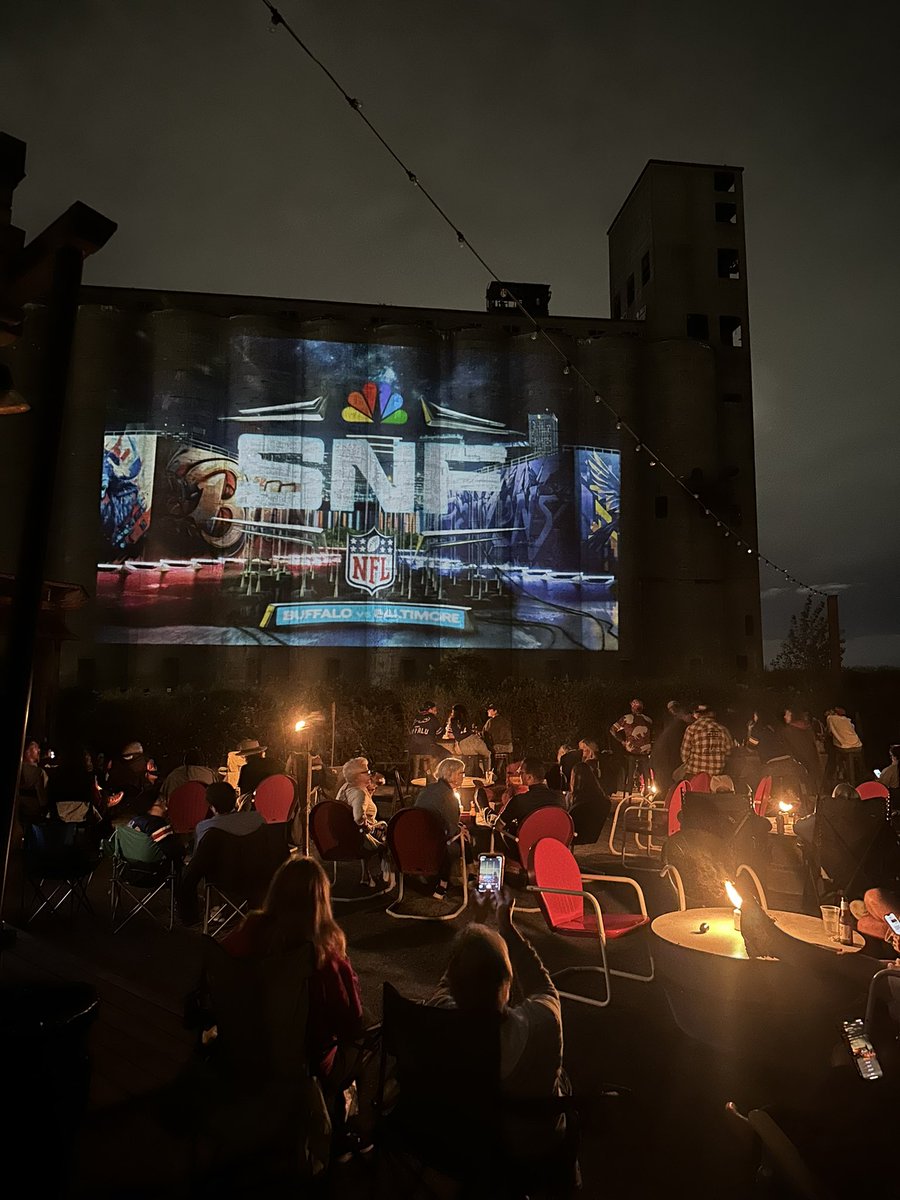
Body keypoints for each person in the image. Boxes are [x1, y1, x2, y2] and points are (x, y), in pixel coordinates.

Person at [223, 856, 367, 1153]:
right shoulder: (322, 958)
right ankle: (341, 1131)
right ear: (321, 902)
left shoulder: (247, 932)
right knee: (364, 1042)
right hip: (303, 1063)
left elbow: (222, 970)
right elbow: (352, 1021)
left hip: (246, 1044)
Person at [429, 887, 565, 1155]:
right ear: (507, 984)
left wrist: (476, 924)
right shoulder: (542, 1023)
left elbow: (448, 982)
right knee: (564, 1081)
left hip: (461, 1141)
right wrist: (506, 925)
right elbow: (544, 987)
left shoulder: (437, 1015)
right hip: (526, 1145)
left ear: (456, 988)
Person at [414, 756, 468, 900]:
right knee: (466, 840)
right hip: (436, 842)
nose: (463, 776)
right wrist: (460, 830)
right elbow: (450, 830)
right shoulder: (449, 796)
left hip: (418, 835)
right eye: (461, 773)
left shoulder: (428, 789)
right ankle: (445, 883)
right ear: (452, 775)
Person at [335, 758, 391, 888]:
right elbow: (358, 817)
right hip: (357, 841)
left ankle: (366, 875)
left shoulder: (345, 788)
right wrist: (368, 827)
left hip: (343, 836)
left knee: (367, 832)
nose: (370, 774)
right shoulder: (359, 793)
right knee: (391, 835)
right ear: (357, 776)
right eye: (367, 772)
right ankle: (387, 878)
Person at [495, 758, 566, 843]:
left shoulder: (519, 800)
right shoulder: (560, 797)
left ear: (529, 777)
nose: (518, 774)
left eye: (521, 772)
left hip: (523, 848)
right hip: (552, 846)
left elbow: (498, 826)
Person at [194, 780, 265, 849]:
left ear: (211, 805)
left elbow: (199, 857)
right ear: (235, 799)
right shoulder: (258, 819)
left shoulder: (204, 828)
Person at [610, 699, 653, 795]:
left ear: (632, 708)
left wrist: (622, 741)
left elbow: (612, 730)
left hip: (631, 751)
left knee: (630, 774)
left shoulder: (626, 718)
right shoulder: (648, 720)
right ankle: (647, 794)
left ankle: (628, 796)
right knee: (647, 775)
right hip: (645, 751)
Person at [678, 705, 733, 779]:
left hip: (694, 774)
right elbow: (729, 752)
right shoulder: (723, 730)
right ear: (711, 714)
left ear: (697, 715)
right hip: (717, 776)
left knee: (676, 776)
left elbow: (684, 755)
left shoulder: (692, 728)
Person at [651, 704, 692, 790]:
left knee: (665, 791)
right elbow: (681, 751)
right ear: (686, 715)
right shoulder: (682, 728)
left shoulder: (673, 726)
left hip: (659, 761)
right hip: (667, 764)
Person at [407, 702, 447, 783]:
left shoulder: (416, 718)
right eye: (434, 710)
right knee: (445, 754)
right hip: (427, 748)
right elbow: (440, 733)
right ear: (430, 710)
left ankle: (418, 778)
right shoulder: (432, 718)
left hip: (413, 749)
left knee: (429, 755)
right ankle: (436, 778)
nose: (436, 712)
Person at [825, 707, 864, 789]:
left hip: (845, 747)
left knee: (833, 750)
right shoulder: (847, 720)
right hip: (858, 745)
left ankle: (838, 775)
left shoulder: (830, 718)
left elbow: (829, 732)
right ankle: (848, 774)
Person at [17, 737, 49, 825]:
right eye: (35, 747)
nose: (39, 750)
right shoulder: (38, 772)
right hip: (32, 811)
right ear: (27, 752)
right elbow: (42, 797)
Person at [482, 703, 514, 783]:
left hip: (498, 746)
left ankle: (490, 774)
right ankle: (500, 773)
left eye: (490, 710)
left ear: (495, 711)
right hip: (509, 746)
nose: (488, 711)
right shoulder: (505, 721)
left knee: (486, 751)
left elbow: (484, 734)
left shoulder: (490, 722)